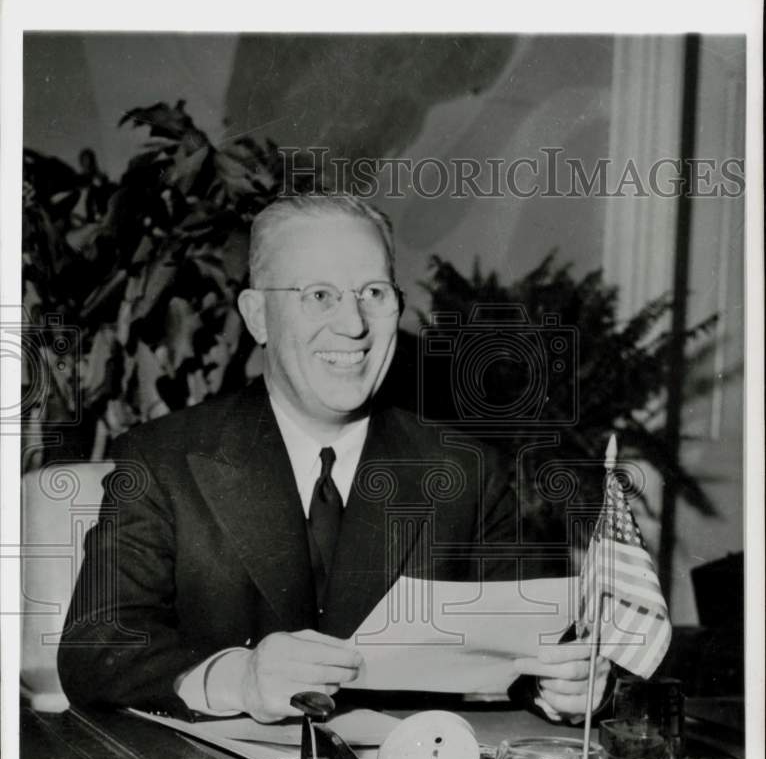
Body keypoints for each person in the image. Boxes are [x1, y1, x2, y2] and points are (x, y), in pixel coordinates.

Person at [59, 194, 608, 723]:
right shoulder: (164, 459)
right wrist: (237, 677)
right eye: (319, 295)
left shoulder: (467, 471)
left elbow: (539, 654)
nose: (353, 325)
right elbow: (95, 646)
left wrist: (564, 690)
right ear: (257, 316)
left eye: (373, 292)